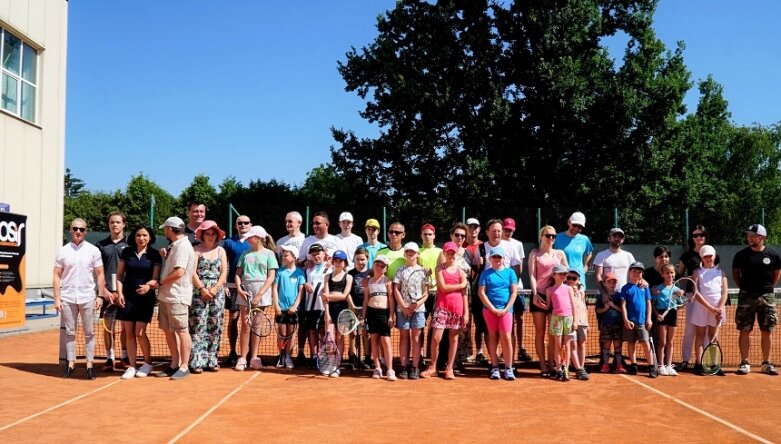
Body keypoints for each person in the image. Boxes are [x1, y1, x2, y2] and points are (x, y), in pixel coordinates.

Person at [53, 218, 107, 379]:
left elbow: (100, 273)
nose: (78, 231)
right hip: (68, 297)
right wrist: (57, 298)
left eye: (82, 229)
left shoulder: (93, 251)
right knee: (70, 332)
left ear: (86, 231)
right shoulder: (63, 251)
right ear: (70, 230)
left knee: (89, 332)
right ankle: (70, 363)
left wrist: (100, 295)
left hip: (88, 297)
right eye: (75, 228)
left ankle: (90, 364)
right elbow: (56, 275)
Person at [732, 224, 781, 375]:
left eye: (753, 236)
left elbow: (777, 273)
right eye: (748, 236)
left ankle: (767, 363)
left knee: (767, 330)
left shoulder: (773, 255)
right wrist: (746, 289)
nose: (749, 238)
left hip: (767, 296)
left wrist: (768, 289)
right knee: (744, 330)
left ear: (762, 237)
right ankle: (744, 363)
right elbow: (736, 274)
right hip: (746, 296)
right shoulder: (741, 255)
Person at [115, 225, 161, 379]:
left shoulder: (154, 254)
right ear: (134, 237)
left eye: (145, 235)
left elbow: (155, 278)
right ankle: (132, 366)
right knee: (129, 332)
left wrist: (148, 286)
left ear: (150, 237)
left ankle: (147, 363)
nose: (141, 238)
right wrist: (119, 293)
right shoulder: (126, 252)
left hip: (145, 298)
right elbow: (120, 274)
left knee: (140, 332)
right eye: (138, 235)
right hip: (127, 297)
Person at [156, 216, 196, 380]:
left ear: (171, 230)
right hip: (167, 296)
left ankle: (184, 366)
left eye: (166, 228)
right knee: (168, 331)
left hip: (177, 296)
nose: (165, 231)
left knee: (181, 331)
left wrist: (159, 282)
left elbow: (179, 273)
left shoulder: (183, 246)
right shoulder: (175, 245)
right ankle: (174, 364)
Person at [235, 225, 278, 371]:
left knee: (256, 327)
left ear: (258, 238)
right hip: (245, 292)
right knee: (245, 326)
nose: (247, 239)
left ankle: (254, 358)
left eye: (250, 237)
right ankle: (242, 358)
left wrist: (259, 295)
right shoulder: (244, 254)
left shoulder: (269, 254)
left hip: (262, 293)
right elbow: (237, 274)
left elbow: (271, 276)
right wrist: (240, 289)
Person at [423, 241, 469, 379]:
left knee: (454, 338)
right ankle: (432, 367)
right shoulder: (439, 269)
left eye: (453, 252)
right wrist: (461, 284)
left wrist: (466, 312)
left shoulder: (460, 271)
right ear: (444, 253)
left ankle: (450, 368)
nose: (451, 255)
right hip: (442, 307)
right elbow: (443, 287)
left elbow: (464, 294)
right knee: (436, 338)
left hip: (457, 308)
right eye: (448, 252)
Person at [676, 225, 719, 370]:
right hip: (692, 296)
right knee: (690, 329)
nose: (698, 238)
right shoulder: (686, 256)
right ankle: (685, 360)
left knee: (709, 331)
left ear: (706, 236)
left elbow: (715, 274)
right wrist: (688, 278)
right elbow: (679, 275)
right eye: (695, 235)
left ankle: (706, 361)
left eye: (701, 235)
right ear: (692, 238)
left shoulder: (713, 254)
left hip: (710, 298)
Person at [528, 225, 568, 376]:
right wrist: (535, 294)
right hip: (539, 295)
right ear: (542, 237)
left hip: (556, 296)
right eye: (548, 235)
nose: (551, 238)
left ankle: (553, 364)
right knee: (540, 332)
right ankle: (543, 366)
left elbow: (566, 273)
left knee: (554, 334)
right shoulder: (534, 254)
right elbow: (532, 275)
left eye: (553, 236)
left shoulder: (560, 254)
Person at [189, 220, 228, 374]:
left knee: (215, 324)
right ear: (202, 235)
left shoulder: (221, 251)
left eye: (213, 234)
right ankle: (196, 361)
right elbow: (192, 272)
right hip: (199, 292)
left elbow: (224, 272)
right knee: (198, 324)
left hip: (217, 293)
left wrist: (215, 289)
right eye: (207, 234)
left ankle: (212, 359)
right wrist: (202, 289)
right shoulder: (196, 250)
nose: (210, 237)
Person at [478, 246, 518, 381]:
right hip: (489, 311)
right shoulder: (485, 274)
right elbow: (481, 292)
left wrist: (506, 309)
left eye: (499, 257)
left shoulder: (510, 273)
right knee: (492, 336)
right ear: (490, 259)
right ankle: (494, 367)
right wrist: (492, 309)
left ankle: (508, 368)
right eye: (494, 257)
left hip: (506, 310)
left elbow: (514, 292)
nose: (497, 259)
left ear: (503, 259)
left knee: (506, 337)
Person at [96, 211, 129, 372]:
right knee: (108, 327)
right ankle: (110, 358)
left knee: (125, 327)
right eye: (112, 222)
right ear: (109, 225)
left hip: (124, 293)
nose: (114, 224)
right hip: (107, 293)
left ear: (123, 224)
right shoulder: (101, 245)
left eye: (117, 222)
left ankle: (124, 357)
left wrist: (122, 292)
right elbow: (98, 271)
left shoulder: (131, 244)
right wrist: (104, 292)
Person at [393, 241, 429, 379]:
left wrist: (416, 305)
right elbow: (396, 289)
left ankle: (415, 367)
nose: (410, 253)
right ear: (405, 253)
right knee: (403, 337)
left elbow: (426, 292)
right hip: (403, 309)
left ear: (417, 254)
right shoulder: (400, 270)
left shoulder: (423, 271)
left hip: (418, 310)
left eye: (412, 252)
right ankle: (403, 366)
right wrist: (403, 307)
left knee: (416, 338)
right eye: (407, 251)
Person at [221, 215, 253, 366]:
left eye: (246, 223)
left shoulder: (254, 242)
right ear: (236, 226)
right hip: (233, 287)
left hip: (251, 287)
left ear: (250, 225)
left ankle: (250, 354)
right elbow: (223, 263)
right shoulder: (228, 242)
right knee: (233, 319)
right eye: (240, 223)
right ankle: (233, 351)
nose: (243, 225)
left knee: (250, 320)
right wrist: (226, 284)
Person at [691, 245, 727, 376]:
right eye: (705, 256)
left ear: (714, 256)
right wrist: (711, 308)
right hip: (701, 308)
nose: (708, 258)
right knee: (700, 335)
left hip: (717, 309)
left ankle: (713, 364)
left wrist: (719, 308)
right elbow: (696, 292)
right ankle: (699, 364)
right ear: (701, 257)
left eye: (710, 256)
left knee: (713, 336)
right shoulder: (696, 272)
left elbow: (724, 292)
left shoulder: (721, 273)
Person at [362, 255, 396, 381]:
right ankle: (377, 368)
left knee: (386, 342)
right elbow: (366, 300)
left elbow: (391, 300)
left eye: (382, 266)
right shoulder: (368, 282)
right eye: (377, 265)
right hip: (371, 314)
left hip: (384, 314)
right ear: (373, 265)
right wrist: (363, 317)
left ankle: (390, 369)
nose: (379, 268)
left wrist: (391, 316)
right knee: (374, 341)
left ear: (385, 269)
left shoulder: (387, 281)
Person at [501, 217, 531, 363]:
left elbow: (519, 266)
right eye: (506, 229)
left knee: (519, 318)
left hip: (516, 288)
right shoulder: (497, 243)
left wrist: (513, 284)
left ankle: (521, 348)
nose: (508, 232)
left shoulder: (518, 244)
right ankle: (504, 350)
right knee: (505, 318)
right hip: (501, 289)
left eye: (510, 230)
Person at [620, 261, 656, 378]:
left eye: (639, 272)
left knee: (646, 343)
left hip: (642, 321)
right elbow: (623, 305)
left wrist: (649, 318)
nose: (637, 273)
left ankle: (651, 367)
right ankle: (633, 365)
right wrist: (625, 319)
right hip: (630, 322)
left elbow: (648, 303)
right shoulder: (625, 288)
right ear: (629, 272)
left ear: (642, 274)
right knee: (631, 343)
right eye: (634, 271)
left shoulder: (644, 287)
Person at [272, 245, 305, 369]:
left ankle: (288, 357)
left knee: (291, 333)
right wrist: (276, 305)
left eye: (286, 254)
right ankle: (281, 356)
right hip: (281, 308)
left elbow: (301, 290)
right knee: (282, 334)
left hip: (293, 309)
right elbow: (274, 289)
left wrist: (295, 306)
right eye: (283, 254)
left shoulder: (300, 273)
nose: (283, 256)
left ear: (294, 257)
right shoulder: (280, 271)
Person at [322, 249, 353, 377]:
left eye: (341, 261)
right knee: (330, 339)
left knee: (340, 338)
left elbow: (345, 295)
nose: (339, 263)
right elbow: (325, 299)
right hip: (331, 311)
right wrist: (327, 313)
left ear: (345, 263)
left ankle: (337, 366)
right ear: (333, 262)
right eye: (336, 260)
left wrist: (328, 296)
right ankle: (331, 364)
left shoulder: (348, 277)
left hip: (343, 311)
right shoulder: (327, 277)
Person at [650, 264, 682, 377]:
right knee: (662, 342)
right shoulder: (657, 289)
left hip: (672, 315)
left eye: (672, 273)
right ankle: (660, 365)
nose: (670, 275)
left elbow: (679, 305)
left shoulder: (677, 290)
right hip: (662, 315)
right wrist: (657, 314)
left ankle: (669, 365)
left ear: (675, 274)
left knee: (670, 342)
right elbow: (652, 304)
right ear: (662, 274)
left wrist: (687, 300)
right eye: (667, 273)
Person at [302, 243, 330, 366]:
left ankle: (324, 356)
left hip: (323, 306)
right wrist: (305, 284)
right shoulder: (308, 268)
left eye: (318, 253)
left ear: (324, 254)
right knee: (311, 331)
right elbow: (303, 281)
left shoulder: (330, 267)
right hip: (310, 306)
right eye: (313, 254)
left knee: (323, 331)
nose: (316, 256)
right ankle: (314, 356)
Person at [548, 264, 576, 381]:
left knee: (567, 345)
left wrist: (575, 321)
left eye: (565, 274)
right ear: (554, 275)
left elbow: (574, 306)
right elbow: (548, 306)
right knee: (558, 345)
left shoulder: (569, 288)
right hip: (556, 319)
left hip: (568, 318)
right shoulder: (549, 290)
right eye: (560, 274)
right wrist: (540, 303)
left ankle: (566, 369)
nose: (563, 276)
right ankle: (558, 369)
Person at [418, 223, 442, 368]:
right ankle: (419, 354)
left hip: (438, 293)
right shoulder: (417, 252)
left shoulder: (440, 252)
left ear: (434, 236)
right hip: (422, 294)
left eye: (430, 234)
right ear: (421, 235)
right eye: (425, 234)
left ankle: (433, 356)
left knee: (436, 326)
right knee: (420, 325)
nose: (427, 236)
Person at [553, 211, 593, 286]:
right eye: (574, 225)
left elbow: (589, 253)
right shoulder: (556, 237)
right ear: (568, 222)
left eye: (580, 227)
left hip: (578, 279)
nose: (577, 228)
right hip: (561, 278)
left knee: (579, 297)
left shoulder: (585, 239)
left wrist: (585, 265)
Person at [348, 246, 372, 368]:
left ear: (367, 259)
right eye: (358, 259)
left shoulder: (371, 273)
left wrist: (365, 309)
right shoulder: (350, 274)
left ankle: (367, 359)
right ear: (354, 259)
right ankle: (352, 358)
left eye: (362, 259)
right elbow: (347, 292)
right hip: (352, 307)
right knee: (352, 333)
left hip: (367, 308)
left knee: (365, 333)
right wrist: (352, 306)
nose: (360, 262)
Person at [594, 228, 636, 296]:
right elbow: (598, 276)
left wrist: (642, 280)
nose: (617, 238)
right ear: (609, 238)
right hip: (607, 295)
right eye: (614, 236)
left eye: (620, 237)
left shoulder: (629, 255)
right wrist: (604, 293)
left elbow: (636, 273)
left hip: (625, 294)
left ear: (623, 240)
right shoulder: (601, 255)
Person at [595, 272, 624, 373]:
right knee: (606, 345)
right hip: (606, 324)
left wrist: (613, 306)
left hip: (617, 324)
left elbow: (623, 310)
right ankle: (605, 365)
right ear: (604, 283)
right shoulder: (600, 297)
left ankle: (619, 365)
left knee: (617, 345)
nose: (612, 284)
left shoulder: (619, 296)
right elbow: (598, 310)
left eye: (614, 282)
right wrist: (605, 308)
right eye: (609, 282)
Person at [567, 268, 589, 380]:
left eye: (574, 278)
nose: (571, 280)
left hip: (582, 321)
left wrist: (587, 323)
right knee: (573, 345)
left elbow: (584, 305)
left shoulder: (582, 289)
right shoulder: (565, 289)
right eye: (569, 278)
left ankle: (582, 367)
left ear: (578, 279)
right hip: (570, 321)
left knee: (582, 344)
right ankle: (578, 368)